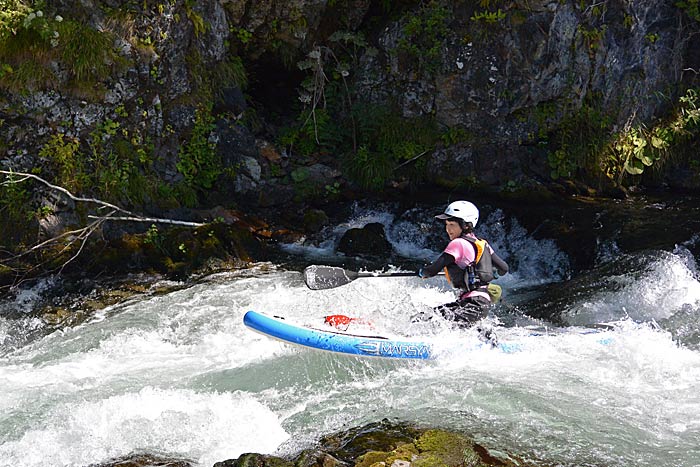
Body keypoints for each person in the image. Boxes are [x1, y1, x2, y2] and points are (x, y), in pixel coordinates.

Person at [417, 200, 509, 329]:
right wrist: (494, 274)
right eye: (447, 224)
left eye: (452, 224)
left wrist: (422, 272)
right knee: (429, 317)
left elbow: (431, 271)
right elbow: (504, 268)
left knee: (425, 320)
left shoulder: (457, 243)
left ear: (466, 225)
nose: (448, 229)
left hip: (472, 304)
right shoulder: (483, 244)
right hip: (479, 304)